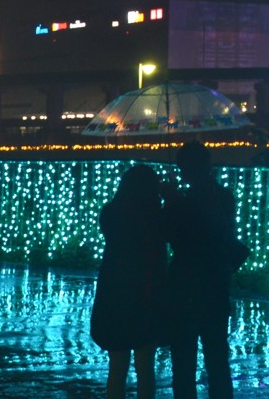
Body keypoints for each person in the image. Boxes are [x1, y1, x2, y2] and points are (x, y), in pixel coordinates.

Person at [165, 139, 243, 399]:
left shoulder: (187, 202)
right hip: (216, 285)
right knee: (217, 359)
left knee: (184, 362)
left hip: (187, 288)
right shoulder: (223, 196)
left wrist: (172, 201)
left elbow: (175, 238)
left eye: (181, 167)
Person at [91, 163, 168, 399]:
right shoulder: (154, 218)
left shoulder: (112, 213)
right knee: (145, 369)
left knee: (117, 367)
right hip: (145, 297)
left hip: (114, 296)